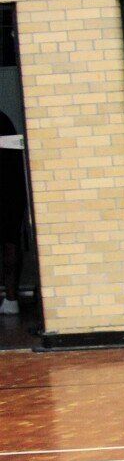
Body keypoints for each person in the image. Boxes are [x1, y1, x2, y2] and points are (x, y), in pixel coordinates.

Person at [0, 107, 24, 316]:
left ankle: (11, 298)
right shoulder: (4, 120)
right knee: (10, 244)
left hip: (8, 193)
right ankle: (11, 297)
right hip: (11, 192)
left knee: (10, 245)